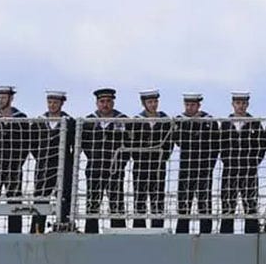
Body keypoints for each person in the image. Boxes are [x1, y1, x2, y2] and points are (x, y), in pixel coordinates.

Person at [81, 88, 128, 232]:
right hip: (95, 167)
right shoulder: (89, 121)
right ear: (97, 103)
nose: (105, 104)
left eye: (108, 101)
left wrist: (120, 162)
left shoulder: (122, 120)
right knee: (92, 203)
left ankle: (118, 234)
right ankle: (90, 234)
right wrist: (94, 157)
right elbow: (84, 144)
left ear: (113, 103)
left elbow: (128, 144)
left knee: (117, 203)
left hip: (115, 168)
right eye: (102, 101)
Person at [0, 87, 29, 233]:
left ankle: (15, 232)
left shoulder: (21, 118)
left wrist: (18, 161)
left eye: (3, 97)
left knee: (14, 200)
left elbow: (26, 143)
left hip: (14, 165)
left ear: (11, 98)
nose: (0, 100)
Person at [221, 91, 266, 234]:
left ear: (247, 104)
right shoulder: (225, 124)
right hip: (230, 169)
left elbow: (262, 145)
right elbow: (220, 145)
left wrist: (254, 162)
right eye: (238, 103)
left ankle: (252, 234)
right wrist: (227, 160)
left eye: (243, 103)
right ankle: (226, 234)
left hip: (249, 169)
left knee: (250, 203)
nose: (240, 106)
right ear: (233, 104)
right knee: (227, 203)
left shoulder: (255, 123)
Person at [130, 90, 173, 229]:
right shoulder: (137, 120)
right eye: (150, 102)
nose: (153, 104)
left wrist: (164, 157)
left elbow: (169, 142)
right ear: (144, 103)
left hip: (158, 163)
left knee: (158, 195)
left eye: (155, 101)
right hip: (141, 164)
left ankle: (158, 227)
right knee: (140, 195)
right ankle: (139, 226)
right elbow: (131, 142)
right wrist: (139, 157)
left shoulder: (165, 120)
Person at [175, 93, 217, 234]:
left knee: (204, 202)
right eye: (187, 105)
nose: (189, 108)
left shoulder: (209, 121)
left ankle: (206, 233)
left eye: (192, 105)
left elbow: (216, 145)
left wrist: (210, 165)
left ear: (198, 105)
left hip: (204, 166)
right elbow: (177, 141)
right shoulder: (180, 121)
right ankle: (181, 232)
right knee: (183, 202)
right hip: (186, 166)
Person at [33, 91, 72, 233]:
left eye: (55, 102)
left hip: (63, 165)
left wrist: (68, 160)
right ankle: (37, 230)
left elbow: (75, 145)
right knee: (40, 197)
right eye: (50, 102)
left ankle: (63, 227)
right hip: (43, 165)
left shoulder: (70, 122)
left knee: (64, 197)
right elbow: (33, 143)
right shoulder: (39, 122)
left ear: (61, 103)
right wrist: (41, 157)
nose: (52, 105)